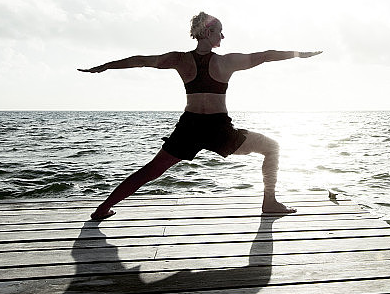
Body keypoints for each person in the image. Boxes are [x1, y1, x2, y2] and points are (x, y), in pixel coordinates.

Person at [79, 12, 322, 220]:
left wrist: (105, 66)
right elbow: (265, 55)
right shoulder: (227, 62)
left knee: (151, 170)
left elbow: (141, 61)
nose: (223, 37)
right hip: (218, 129)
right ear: (207, 32)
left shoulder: (180, 59)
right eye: (220, 31)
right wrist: (300, 54)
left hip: (190, 127)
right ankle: (269, 203)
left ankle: (103, 209)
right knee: (272, 148)